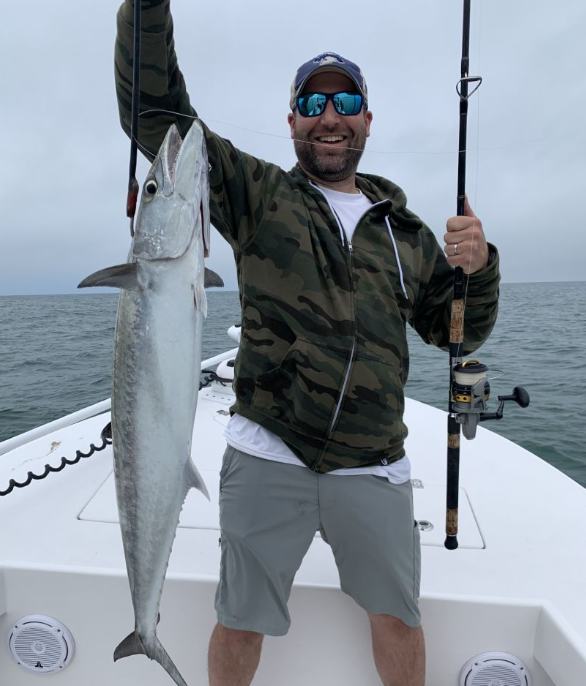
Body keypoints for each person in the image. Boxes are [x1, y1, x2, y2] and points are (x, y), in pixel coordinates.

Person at [115, 3, 499, 685]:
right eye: (313, 101)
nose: (330, 114)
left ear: (367, 119)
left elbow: (454, 328)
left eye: (346, 99)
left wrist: (480, 267)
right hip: (270, 450)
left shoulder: (404, 233)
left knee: (400, 621)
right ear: (291, 118)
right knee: (238, 624)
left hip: (373, 462)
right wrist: (146, 10)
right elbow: (158, 118)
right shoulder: (261, 197)